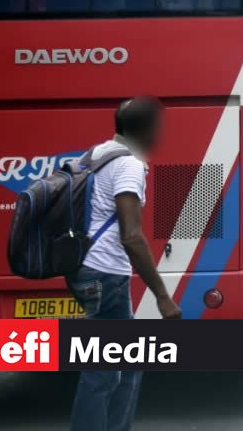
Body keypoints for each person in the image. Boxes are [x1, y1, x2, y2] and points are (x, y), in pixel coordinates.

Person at [67, 97, 180, 431]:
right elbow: (132, 236)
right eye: (159, 127)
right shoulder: (129, 164)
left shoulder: (98, 153)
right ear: (145, 130)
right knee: (103, 369)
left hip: (86, 268)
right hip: (106, 274)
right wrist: (161, 295)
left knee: (128, 363)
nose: (162, 135)